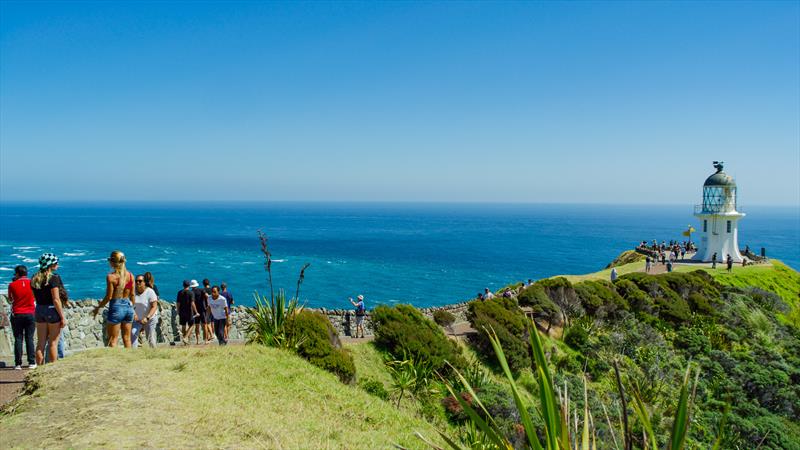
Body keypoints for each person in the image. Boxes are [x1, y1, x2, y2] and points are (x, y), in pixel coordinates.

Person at [93, 250, 136, 348]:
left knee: (113, 339)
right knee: (127, 338)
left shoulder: (111, 277)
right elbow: (132, 295)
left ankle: (114, 361)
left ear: (113, 262)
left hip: (116, 307)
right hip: (128, 307)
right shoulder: (131, 276)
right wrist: (133, 309)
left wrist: (98, 307)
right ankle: (130, 361)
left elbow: (109, 296)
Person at [31, 253, 66, 364]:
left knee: (40, 343)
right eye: (56, 263)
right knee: (53, 343)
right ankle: (52, 369)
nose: (57, 265)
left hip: (39, 309)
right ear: (50, 265)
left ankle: (39, 369)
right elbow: (56, 299)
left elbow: (33, 296)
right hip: (51, 309)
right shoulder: (53, 278)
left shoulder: (34, 278)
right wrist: (62, 317)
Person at [8, 265, 36, 369]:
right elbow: (34, 296)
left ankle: (18, 363)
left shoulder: (12, 285)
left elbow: (10, 299)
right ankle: (31, 362)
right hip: (30, 313)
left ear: (17, 274)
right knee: (30, 338)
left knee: (18, 338)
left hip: (17, 313)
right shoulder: (32, 283)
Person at [132, 274, 159, 348]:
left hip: (150, 319)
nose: (138, 283)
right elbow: (130, 305)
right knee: (133, 333)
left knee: (151, 338)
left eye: (140, 281)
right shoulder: (133, 292)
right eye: (136, 281)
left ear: (144, 282)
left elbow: (154, 306)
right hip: (137, 319)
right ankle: (133, 354)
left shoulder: (150, 292)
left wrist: (147, 318)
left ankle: (154, 355)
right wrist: (134, 314)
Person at [176, 280, 198, 345]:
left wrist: (178, 310)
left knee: (183, 325)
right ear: (189, 285)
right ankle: (185, 338)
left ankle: (185, 341)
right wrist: (196, 312)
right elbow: (192, 303)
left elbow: (178, 303)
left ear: (183, 285)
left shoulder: (180, 292)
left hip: (182, 311)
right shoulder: (191, 293)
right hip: (189, 311)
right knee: (192, 325)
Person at [190, 280, 210, 344]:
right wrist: (208, 305)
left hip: (195, 311)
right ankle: (206, 340)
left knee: (197, 326)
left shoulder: (191, 292)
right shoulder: (201, 290)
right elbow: (207, 296)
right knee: (205, 325)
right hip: (203, 310)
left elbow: (191, 302)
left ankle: (198, 341)